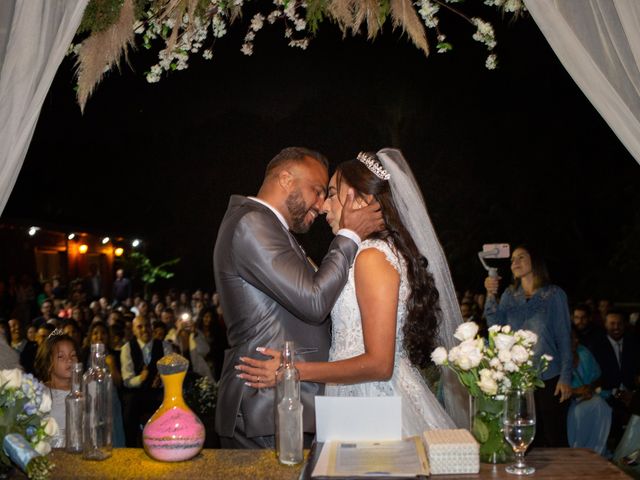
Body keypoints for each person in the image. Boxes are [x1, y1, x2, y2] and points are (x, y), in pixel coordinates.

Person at [237, 149, 467, 436]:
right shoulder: (366, 254)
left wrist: (291, 370)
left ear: (361, 200)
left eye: (332, 194)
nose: (323, 207)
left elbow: (379, 364)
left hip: (373, 400)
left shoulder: (371, 257)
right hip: (353, 396)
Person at [213, 146, 384, 449]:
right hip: (265, 406)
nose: (321, 205)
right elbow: (314, 301)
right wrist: (349, 235)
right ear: (285, 179)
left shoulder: (273, 228)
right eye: (317, 191)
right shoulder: (252, 224)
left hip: (285, 405)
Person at [484, 244, 572, 447]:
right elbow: (495, 329)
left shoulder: (553, 295)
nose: (514, 263)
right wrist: (490, 295)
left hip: (549, 378)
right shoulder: (509, 294)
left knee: (553, 439)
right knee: (523, 439)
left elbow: (564, 337)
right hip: (519, 377)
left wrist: (566, 377)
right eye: (512, 259)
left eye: (521, 257)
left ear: (536, 262)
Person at [589, 310, 640, 446]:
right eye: (612, 324)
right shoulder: (596, 345)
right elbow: (595, 377)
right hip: (606, 395)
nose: (616, 327)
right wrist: (613, 392)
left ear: (625, 325)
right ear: (605, 325)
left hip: (632, 395)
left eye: (619, 324)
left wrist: (633, 393)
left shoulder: (634, 343)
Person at [120, 315, 172, 447]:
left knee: (167, 400)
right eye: (139, 327)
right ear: (133, 330)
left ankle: (166, 443)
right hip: (136, 393)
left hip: (156, 393)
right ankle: (130, 445)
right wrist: (141, 378)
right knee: (130, 404)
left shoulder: (165, 346)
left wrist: (161, 380)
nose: (144, 330)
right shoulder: (127, 348)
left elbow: (170, 372)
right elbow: (127, 380)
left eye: (147, 326)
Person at [567, 328, 611, 455]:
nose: (576, 341)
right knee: (583, 411)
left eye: (576, 338)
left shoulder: (584, 352)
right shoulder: (556, 358)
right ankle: (578, 450)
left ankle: (597, 450)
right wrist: (576, 391)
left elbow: (598, 377)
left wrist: (588, 388)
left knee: (601, 405)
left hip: (590, 396)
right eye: (571, 338)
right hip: (567, 402)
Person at [34, 330, 79, 448]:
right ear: (49, 363)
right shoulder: (40, 393)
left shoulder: (84, 391)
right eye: (61, 356)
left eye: (73, 355)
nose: (69, 360)